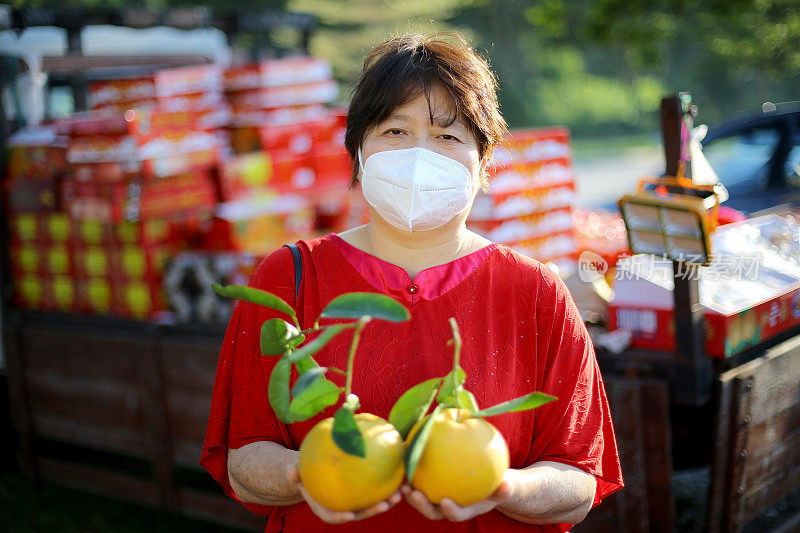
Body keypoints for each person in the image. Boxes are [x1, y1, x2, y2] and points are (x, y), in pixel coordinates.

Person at [201, 33, 623, 532]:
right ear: (358, 148)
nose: (419, 155)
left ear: (483, 162)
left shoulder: (535, 293)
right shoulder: (291, 276)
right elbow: (244, 461)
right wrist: (311, 471)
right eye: (395, 131)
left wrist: (501, 486)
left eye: (447, 136)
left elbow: (577, 478)